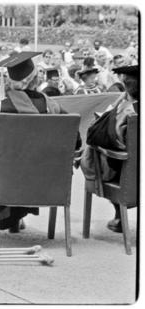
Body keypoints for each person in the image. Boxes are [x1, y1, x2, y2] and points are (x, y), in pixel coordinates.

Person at [0, 52, 82, 232]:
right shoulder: (51, 106)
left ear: (10, 79)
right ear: (35, 79)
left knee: (0, 162)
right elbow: (75, 141)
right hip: (47, 183)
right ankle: (17, 215)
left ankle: (10, 214)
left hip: (7, 182)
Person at [80, 65, 138, 233]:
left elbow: (110, 138)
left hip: (127, 176)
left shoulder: (126, 110)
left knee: (93, 150)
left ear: (126, 87)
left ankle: (119, 214)